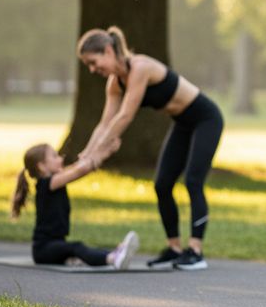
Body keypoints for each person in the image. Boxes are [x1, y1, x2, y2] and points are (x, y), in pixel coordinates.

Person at [76, 26, 223, 271]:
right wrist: (87, 154)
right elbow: (105, 124)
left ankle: (195, 251)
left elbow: (125, 116)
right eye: (88, 65)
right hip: (183, 123)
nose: (93, 69)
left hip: (206, 119)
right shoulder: (114, 84)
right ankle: (174, 248)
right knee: (162, 184)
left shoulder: (140, 67)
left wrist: (97, 154)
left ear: (109, 51)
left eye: (94, 61)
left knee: (193, 181)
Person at [11, 142, 139, 268]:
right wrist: (96, 156)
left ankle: (116, 253)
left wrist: (106, 152)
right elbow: (79, 170)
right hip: (44, 249)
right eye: (55, 156)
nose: (60, 158)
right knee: (77, 247)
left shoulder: (55, 180)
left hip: (56, 244)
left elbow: (77, 167)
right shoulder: (47, 184)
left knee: (81, 249)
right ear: (42, 167)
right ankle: (112, 259)